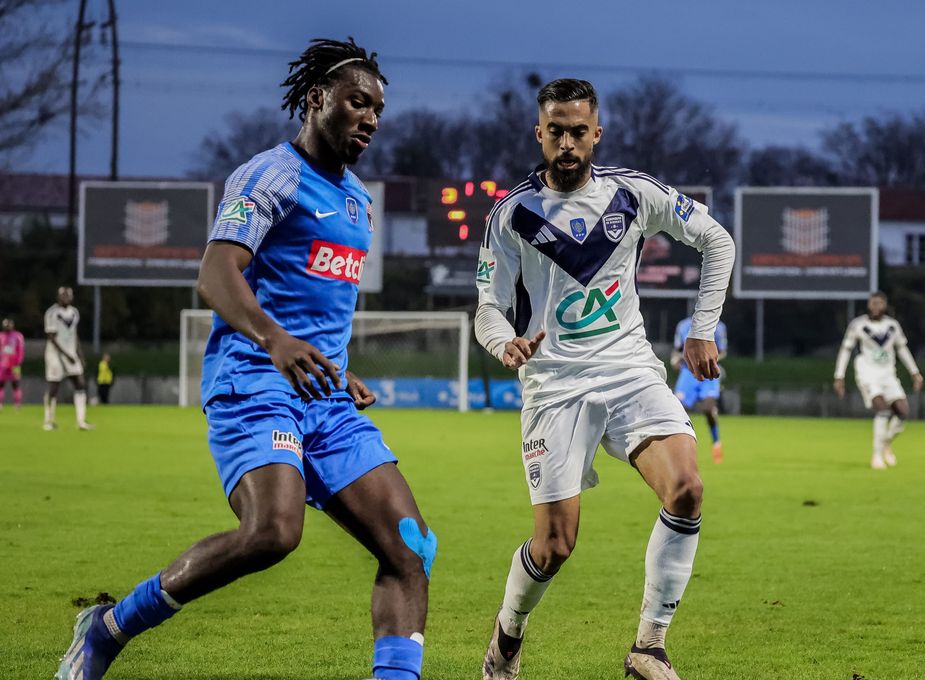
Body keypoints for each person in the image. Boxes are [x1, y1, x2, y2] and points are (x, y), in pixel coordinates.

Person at [57, 38, 435, 680]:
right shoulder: (271, 175)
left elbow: (316, 304)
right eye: (357, 102)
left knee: (410, 548)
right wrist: (275, 340)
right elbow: (215, 273)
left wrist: (336, 367)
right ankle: (108, 627)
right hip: (254, 380)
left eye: (377, 109)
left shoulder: (358, 201)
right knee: (273, 532)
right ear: (317, 99)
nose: (371, 118)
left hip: (324, 398)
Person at [475, 78, 735, 680]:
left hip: (630, 371)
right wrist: (503, 341)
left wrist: (702, 329)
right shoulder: (511, 214)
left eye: (578, 131)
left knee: (687, 489)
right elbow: (487, 305)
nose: (567, 143)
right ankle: (508, 634)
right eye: (556, 132)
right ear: (539, 134)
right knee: (555, 546)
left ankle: (649, 647)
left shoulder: (633, 194)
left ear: (596, 134)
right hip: (555, 385)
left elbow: (716, 240)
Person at [833, 291, 924, 469]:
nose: (876, 306)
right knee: (882, 410)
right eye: (873, 303)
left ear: (885, 305)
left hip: (888, 374)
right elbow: (846, 349)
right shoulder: (858, 325)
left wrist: (915, 372)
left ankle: (886, 444)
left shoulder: (892, 326)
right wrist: (839, 376)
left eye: (879, 303)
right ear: (868, 305)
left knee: (902, 412)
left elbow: (902, 349)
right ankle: (876, 456)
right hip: (867, 373)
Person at [670, 313, 728, 464]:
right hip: (687, 372)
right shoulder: (683, 325)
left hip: (708, 371)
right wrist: (674, 359)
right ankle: (680, 449)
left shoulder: (719, 327)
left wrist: (708, 359)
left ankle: (716, 443)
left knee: (708, 409)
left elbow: (723, 351)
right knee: (678, 412)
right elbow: (677, 349)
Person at [44, 287, 93, 431]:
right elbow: (51, 337)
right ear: (58, 297)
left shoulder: (74, 312)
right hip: (55, 354)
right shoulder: (52, 313)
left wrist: (79, 354)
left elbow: (74, 335)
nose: (66, 298)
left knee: (80, 383)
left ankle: (81, 421)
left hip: (71, 354)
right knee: (54, 386)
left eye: (68, 295)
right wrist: (67, 355)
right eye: (63, 295)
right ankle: (48, 421)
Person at [0, 317, 24, 409]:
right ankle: (0, 404)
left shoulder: (18, 336)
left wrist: (19, 361)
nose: (7, 327)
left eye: (8, 325)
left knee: (16, 384)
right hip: (3, 365)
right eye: (5, 325)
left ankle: (17, 404)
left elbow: (21, 350)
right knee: (1, 384)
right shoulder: (1, 336)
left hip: (15, 365)